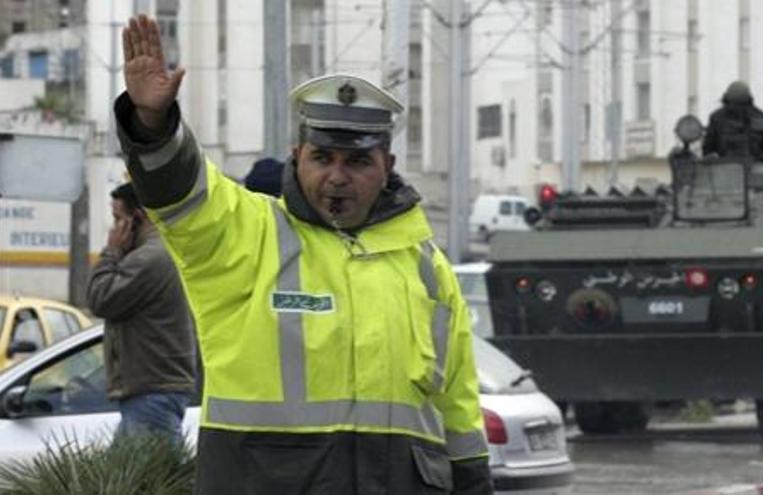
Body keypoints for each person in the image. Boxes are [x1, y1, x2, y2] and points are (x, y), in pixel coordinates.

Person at [114, 14, 491, 494]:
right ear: (297, 156)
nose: (337, 176)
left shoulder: (426, 267)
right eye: (322, 158)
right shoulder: (248, 233)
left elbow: (457, 405)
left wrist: (476, 483)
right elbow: (180, 191)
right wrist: (153, 125)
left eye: (357, 161)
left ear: (387, 166)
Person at [86, 182, 196, 441]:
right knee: (122, 478)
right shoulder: (157, 251)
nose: (114, 230)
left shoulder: (149, 259)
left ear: (137, 217)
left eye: (118, 219)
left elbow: (99, 299)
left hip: (152, 392)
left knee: (150, 479)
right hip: (151, 390)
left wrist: (111, 252)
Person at [702, 81, 763, 162]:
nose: (737, 108)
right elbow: (708, 148)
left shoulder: (757, 116)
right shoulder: (717, 118)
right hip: (723, 167)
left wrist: (762, 159)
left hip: (752, 167)